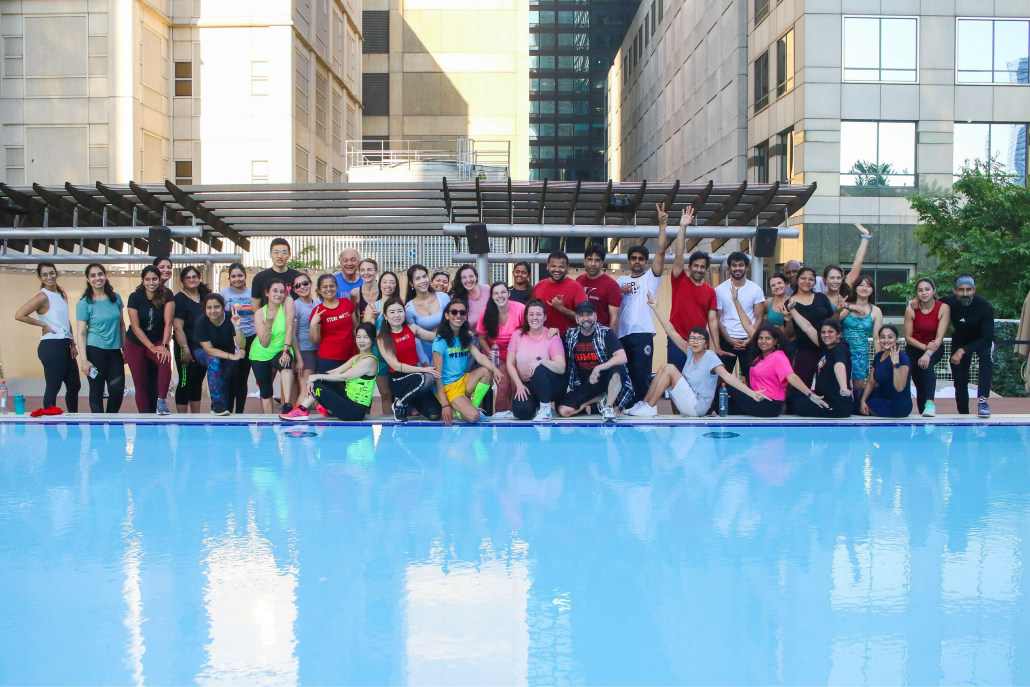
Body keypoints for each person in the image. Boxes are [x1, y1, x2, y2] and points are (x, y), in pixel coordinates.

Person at [625, 295, 759, 418]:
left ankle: (650, 406)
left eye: (700, 339)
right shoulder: (689, 351)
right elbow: (670, 330)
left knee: (670, 368)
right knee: (665, 367)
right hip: (687, 399)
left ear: (706, 344)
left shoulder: (710, 356)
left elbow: (728, 376)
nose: (695, 341)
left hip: (698, 406)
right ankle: (645, 404)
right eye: (693, 338)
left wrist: (751, 393)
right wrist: (655, 308)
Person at [615, 203, 670, 404]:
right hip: (622, 334)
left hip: (642, 333)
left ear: (646, 262)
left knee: (642, 375)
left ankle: (646, 408)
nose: (637, 261)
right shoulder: (619, 281)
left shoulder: (650, 278)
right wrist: (617, 292)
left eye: (641, 259)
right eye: (634, 258)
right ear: (629, 261)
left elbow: (662, 251)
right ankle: (627, 409)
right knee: (624, 375)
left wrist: (662, 225)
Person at [280, 323, 380, 422]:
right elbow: (336, 371)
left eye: (365, 337)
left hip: (355, 411)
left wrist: (317, 377)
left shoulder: (370, 361)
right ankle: (327, 409)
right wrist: (314, 379)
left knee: (317, 386)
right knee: (319, 382)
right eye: (359, 337)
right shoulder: (356, 358)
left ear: (373, 340)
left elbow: (343, 377)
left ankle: (301, 411)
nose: (361, 341)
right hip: (348, 402)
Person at [15, 262, 79, 413]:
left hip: (64, 344)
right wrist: (42, 324)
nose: (49, 277)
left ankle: (73, 417)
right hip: (51, 345)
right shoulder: (42, 296)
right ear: (40, 277)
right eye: (45, 274)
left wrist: (73, 344)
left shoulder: (61, 295)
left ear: (57, 274)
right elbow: (19, 315)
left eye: (51, 273)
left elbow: (66, 321)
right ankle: (49, 420)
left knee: (74, 385)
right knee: (54, 385)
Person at [725, 324, 826, 417]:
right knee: (726, 406)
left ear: (775, 341)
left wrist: (810, 394)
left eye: (767, 338)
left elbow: (791, 376)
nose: (763, 341)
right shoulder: (760, 357)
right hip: (757, 399)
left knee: (727, 384)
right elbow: (747, 325)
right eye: (760, 338)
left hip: (769, 404)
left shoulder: (778, 357)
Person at [432, 298, 506, 425]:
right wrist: (444, 404)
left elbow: (479, 357)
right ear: (447, 315)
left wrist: (496, 370)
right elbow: (437, 375)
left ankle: (473, 406)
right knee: (473, 417)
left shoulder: (465, 336)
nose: (458, 315)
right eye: (454, 312)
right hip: (448, 387)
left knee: (487, 371)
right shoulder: (440, 341)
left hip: (463, 381)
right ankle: (461, 409)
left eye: (462, 313)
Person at [557, 301, 632, 422]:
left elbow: (622, 357)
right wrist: (554, 333)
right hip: (586, 384)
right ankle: (600, 398)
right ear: (576, 318)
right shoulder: (570, 335)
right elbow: (556, 351)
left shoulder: (606, 333)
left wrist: (598, 368)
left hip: (606, 380)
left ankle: (608, 407)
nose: (586, 318)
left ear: (595, 316)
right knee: (564, 411)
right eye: (582, 315)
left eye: (589, 314)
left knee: (618, 370)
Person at [378, 297, 443, 422]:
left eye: (400, 311)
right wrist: (423, 369)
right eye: (392, 312)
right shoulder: (382, 338)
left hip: (417, 379)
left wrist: (458, 334)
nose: (397, 315)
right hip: (398, 380)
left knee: (435, 414)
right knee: (427, 377)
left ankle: (410, 400)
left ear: (404, 312)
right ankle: (399, 404)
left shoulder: (412, 328)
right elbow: (396, 365)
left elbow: (435, 337)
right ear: (385, 316)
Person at [668, 205, 717, 370]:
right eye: (695, 266)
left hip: (700, 343)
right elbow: (679, 254)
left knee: (697, 383)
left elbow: (712, 321)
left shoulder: (710, 292)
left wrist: (716, 347)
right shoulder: (679, 280)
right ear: (689, 267)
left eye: (702, 267)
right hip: (677, 340)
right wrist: (683, 227)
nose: (698, 269)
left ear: (706, 269)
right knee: (676, 381)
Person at [73, 263, 125, 414]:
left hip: (114, 351)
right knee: (96, 389)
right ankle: (98, 428)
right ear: (88, 279)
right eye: (93, 275)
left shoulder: (116, 298)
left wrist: (125, 348)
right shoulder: (84, 304)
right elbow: (81, 333)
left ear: (105, 275)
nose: (97, 278)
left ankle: (112, 422)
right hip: (95, 350)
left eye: (100, 274)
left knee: (117, 390)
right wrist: (84, 360)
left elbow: (122, 325)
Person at [940, 275, 994, 417]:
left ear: (974, 290)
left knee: (986, 359)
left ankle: (983, 401)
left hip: (982, 341)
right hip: (960, 340)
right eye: (961, 290)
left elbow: (988, 338)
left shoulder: (985, 306)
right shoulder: (948, 302)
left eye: (968, 290)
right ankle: (963, 413)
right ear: (955, 291)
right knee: (960, 379)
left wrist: (963, 351)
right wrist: (916, 301)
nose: (965, 294)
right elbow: (929, 302)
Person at [123, 265, 174, 414]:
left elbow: (168, 323)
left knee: (164, 358)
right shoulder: (135, 297)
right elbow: (135, 326)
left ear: (159, 280)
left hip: (158, 339)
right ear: (143, 281)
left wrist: (164, 345)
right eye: (148, 279)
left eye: (154, 279)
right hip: (136, 343)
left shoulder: (167, 294)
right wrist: (151, 347)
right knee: (141, 383)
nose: (151, 282)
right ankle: (144, 417)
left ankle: (162, 400)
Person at [785, 312, 855, 418]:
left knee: (797, 404)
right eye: (823, 332)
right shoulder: (827, 346)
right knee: (792, 397)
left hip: (837, 406)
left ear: (839, 334)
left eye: (830, 332)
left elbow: (839, 365)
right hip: (823, 398)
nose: (826, 335)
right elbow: (807, 327)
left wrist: (843, 387)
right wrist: (792, 310)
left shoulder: (840, 349)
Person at [507, 299, 567, 421]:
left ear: (544, 317)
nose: (535, 318)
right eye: (531, 314)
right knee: (521, 412)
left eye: (539, 314)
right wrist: (519, 384)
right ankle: (537, 407)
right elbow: (509, 363)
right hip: (528, 383)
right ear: (526, 317)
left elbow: (561, 368)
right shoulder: (518, 334)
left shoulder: (551, 336)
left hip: (551, 384)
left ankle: (546, 409)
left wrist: (541, 361)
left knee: (539, 369)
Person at [477, 282, 526, 415]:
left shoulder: (521, 309)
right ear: (492, 296)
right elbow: (481, 338)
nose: (500, 296)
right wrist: (490, 354)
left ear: (509, 293)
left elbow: (529, 334)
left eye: (503, 292)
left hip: (517, 355)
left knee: (516, 386)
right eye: (496, 293)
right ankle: (501, 415)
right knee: (503, 387)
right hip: (498, 356)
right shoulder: (486, 313)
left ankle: (517, 413)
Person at [904, 277, 950, 417]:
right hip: (915, 347)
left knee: (927, 366)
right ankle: (923, 413)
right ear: (916, 293)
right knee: (918, 382)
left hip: (935, 347)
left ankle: (930, 404)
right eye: (920, 290)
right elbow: (908, 337)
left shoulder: (943, 308)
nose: (924, 293)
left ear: (934, 291)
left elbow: (939, 337)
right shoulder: (911, 309)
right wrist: (924, 348)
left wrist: (928, 353)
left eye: (927, 289)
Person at [715, 251, 765, 379]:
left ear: (746, 267)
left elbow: (759, 317)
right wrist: (729, 340)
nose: (737, 268)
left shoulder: (755, 289)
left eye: (741, 265)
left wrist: (749, 339)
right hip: (727, 340)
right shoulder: (719, 290)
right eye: (734, 265)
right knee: (721, 378)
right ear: (729, 267)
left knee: (752, 377)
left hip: (749, 341)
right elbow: (718, 319)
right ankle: (721, 400)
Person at [193, 294, 246, 416]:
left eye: (216, 307)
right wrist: (232, 356)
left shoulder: (230, 317)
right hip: (203, 352)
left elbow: (241, 344)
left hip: (226, 351)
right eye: (209, 307)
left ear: (223, 308)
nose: (212, 311)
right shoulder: (201, 322)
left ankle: (224, 407)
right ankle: (216, 404)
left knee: (226, 376)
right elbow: (210, 350)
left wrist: (237, 326)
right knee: (215, 360)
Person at [250, 278, 297, 414]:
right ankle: (267, 420)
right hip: (260, 352)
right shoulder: (260, 314)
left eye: (282, 291)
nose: (279, 294)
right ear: (267, 293)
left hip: (282, 348)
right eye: (275, 291)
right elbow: (264, 343)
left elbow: (289, 328)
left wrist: (286, 350)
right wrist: (268, 325)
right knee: (266, 390)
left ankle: (287, 403)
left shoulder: (288, 302)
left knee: (285, 364)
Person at [832, 274, 882, 394]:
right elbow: (833, 322)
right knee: (839, 388)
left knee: (858, 392)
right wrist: (850, 307)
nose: (864, 288)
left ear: (872, 290)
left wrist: (880, 360)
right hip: (842, 352)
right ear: (855, 288)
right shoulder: (846, 304)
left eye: (868, 286)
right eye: (861, 285)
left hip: (860, 355)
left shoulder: (876, 311)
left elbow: (876, 339)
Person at [785, 266, 834, 384]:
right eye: (803, 278)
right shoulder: (790, 303)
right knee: (802, 385)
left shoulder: (821, 298)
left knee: (827, 384)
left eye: (811, 279)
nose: (807, 282)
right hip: (805, 350)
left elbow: (832, 320)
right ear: (797, 280)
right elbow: (789, 334)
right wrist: (788, 320)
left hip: (826, 348)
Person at [171, 266, 209, 414]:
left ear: (199, 278)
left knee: (198, 382)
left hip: (203, 347)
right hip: (185, 346)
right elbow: (178, 327)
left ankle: (195, 417)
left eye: (194, 277)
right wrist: (185, 349)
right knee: (185, 382)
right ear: (182, 281)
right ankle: (182, 419)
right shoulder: (179, 299)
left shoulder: (204, 296)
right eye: (188, 277)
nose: (192, 280)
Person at [220, 263, 255, 413]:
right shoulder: (223, 294)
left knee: (243, 376)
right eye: (233, 276)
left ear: (245, 277)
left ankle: (240, 410)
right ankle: (228, 408)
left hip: (251, 337)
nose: (237, 279)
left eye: (240, 275)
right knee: (231, 376)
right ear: (229, 278)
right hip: (232, 339)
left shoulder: (253, 294)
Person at [859, 325, 912, 418]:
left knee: (854, 407)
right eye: (883, 337)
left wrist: (896, 363)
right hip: (882, 395)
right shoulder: (879, 356)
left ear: (896, 339)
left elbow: (899, 387)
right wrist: (862, 400)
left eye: (890, 337)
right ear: (879, 339)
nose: (886, 340)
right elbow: (871, 382)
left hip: (897, 405)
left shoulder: (903, 358)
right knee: (855, 395)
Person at [309, 273, 358, 373]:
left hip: (351, 356)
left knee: (350, 388)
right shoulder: (318, 311)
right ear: (319, 290)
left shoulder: (347, 303)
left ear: (336, 287)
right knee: (331, 388)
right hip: (328, 359)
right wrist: (313, 324)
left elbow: (356, 327)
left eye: (332, 286)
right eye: (324, 287)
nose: (329, 289)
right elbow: (314, 340)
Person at [814, 224, 873, 305]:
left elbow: (858, 261)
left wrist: (865, 236)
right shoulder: (819, 297)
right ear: (824, 279)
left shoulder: (846, 286)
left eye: (838, 278)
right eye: (832, 278)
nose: (835, 281)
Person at [533, 251, 588, 336]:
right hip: (543, 339)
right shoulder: (539, 286)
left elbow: (585, 318)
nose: (557, 270)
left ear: (567, 267)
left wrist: (561, 308)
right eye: (553, 266)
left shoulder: (577, 287)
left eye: (561, 267)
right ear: (547, 266)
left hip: (570, 340)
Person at [405, 264, 451, 364]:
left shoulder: (443, 297)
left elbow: (451, 323)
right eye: (417, 278)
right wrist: (424, 362)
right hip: (423, 352)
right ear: (411, 284)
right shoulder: (408, 308)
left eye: (424, 276)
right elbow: (415, 338)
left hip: (447, 347)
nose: (423, 281)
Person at [367, 271, 400, 410]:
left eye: (392, 282)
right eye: (385, 281)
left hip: (399, 351)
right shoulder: (373, 306)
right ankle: (388, 426)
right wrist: (374, 318)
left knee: (399, 393)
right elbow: (367, 332)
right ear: (379, 285)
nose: (388, 285)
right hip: (380, 353)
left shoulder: (402, 305)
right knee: (385, 394)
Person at [576, 244, 622, 330]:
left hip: (601, 336)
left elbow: (614, 318)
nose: (593, 264)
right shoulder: (578, 281)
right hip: (580, 335)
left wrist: (610, 340)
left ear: (602, 263)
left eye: (597, 260)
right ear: (584, 261)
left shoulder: (611, 285)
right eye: (590, 259)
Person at [290, 271, 321, 394]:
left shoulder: (319, 303)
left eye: (304, 283)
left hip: (320, 349)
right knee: (306, 390)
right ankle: (299, 413)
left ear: (310, 284)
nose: (302, 287)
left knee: (320, 391)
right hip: (304, 351)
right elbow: (292, 334)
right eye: (298, 286)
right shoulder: (295, 306)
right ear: (295, 290)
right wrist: (299, 359)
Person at [250, 238, 301, 310]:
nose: (280, 256)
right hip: (268, 320)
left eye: (284, 252)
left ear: (289, 255)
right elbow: (255, 307)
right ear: (270, 254)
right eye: (276, 252)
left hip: (293, 319)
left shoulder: (297, 277)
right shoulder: (259, 278)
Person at [450, 264, 491, 329]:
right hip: (470, 337)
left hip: (492, 334)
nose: (468, 280)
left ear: (476, 277)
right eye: (464, 277)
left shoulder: (486, 289)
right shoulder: (456, 297)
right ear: (460, 280)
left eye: (471, 276)